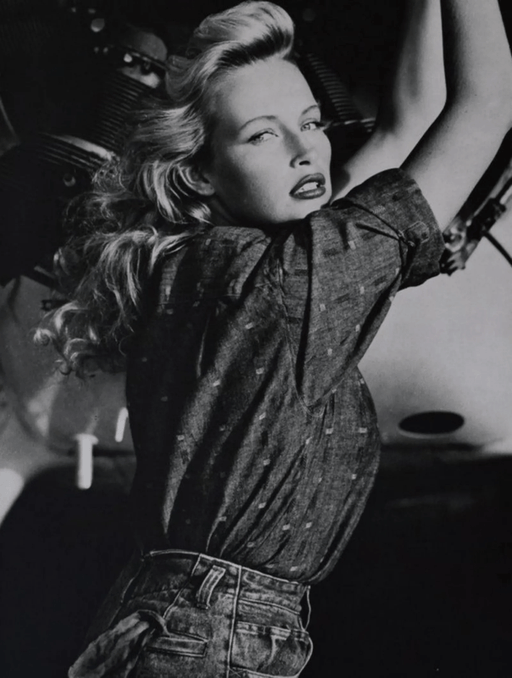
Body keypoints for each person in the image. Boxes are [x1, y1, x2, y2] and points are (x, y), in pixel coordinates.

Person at [37, 0, 512, 676]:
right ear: (198, 169)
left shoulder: (207, 262)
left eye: (312, 122)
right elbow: (487, 102)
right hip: (210, 633)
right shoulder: (286, 280)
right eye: (262, 135)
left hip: (174, 624)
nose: (304, 150)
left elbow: (411, 120)